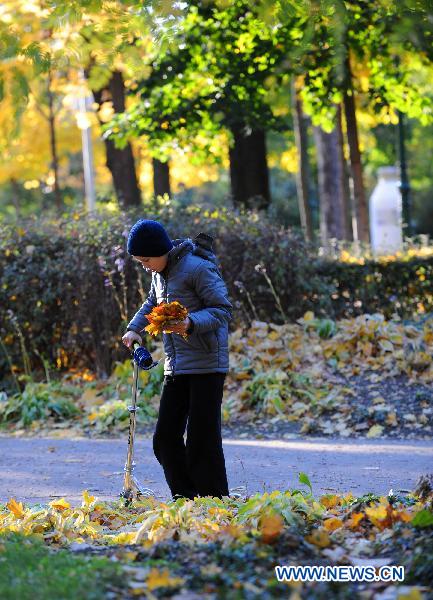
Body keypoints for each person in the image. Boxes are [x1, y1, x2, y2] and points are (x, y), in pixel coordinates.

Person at [122, 219, 232, 501]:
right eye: (139, 261)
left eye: (146, 259)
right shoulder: (159, 274)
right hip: (177, 364)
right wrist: (134, 329)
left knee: (201, 441)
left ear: (161, 250)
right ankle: (186, 498)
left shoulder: (197, 268)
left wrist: (190, 323)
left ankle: (214, 501)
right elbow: (151, 304)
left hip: (207, 363)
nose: (145, 265)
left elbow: (222, 310)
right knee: (164, 440)